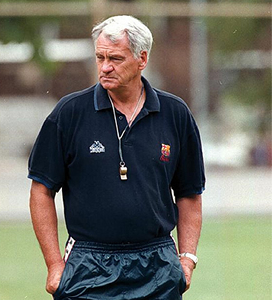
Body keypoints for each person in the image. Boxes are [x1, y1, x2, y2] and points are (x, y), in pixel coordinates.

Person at [28, 15, 204, 299]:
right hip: (88, 264)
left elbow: (189, 193)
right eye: (100, 57)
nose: (105, 67)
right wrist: (54, 265)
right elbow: (41, 189)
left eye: (116, 59)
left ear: (142, 59)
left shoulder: (176, 114)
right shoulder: (69, 112)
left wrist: (186, 259)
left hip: (157, 263)